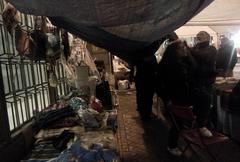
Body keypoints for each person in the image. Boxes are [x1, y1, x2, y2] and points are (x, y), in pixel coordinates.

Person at [190, 31, 217, 137]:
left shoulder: (211, 49)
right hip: (196, 81)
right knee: (197, 104)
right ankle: (200, 124)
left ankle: (203, 125)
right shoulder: (196, 48)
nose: (198, 37)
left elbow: (204, 56)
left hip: (206, 82)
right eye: (198, 35)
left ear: (207, 38)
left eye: (201, 35)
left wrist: (190, 50)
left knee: (206, 104)